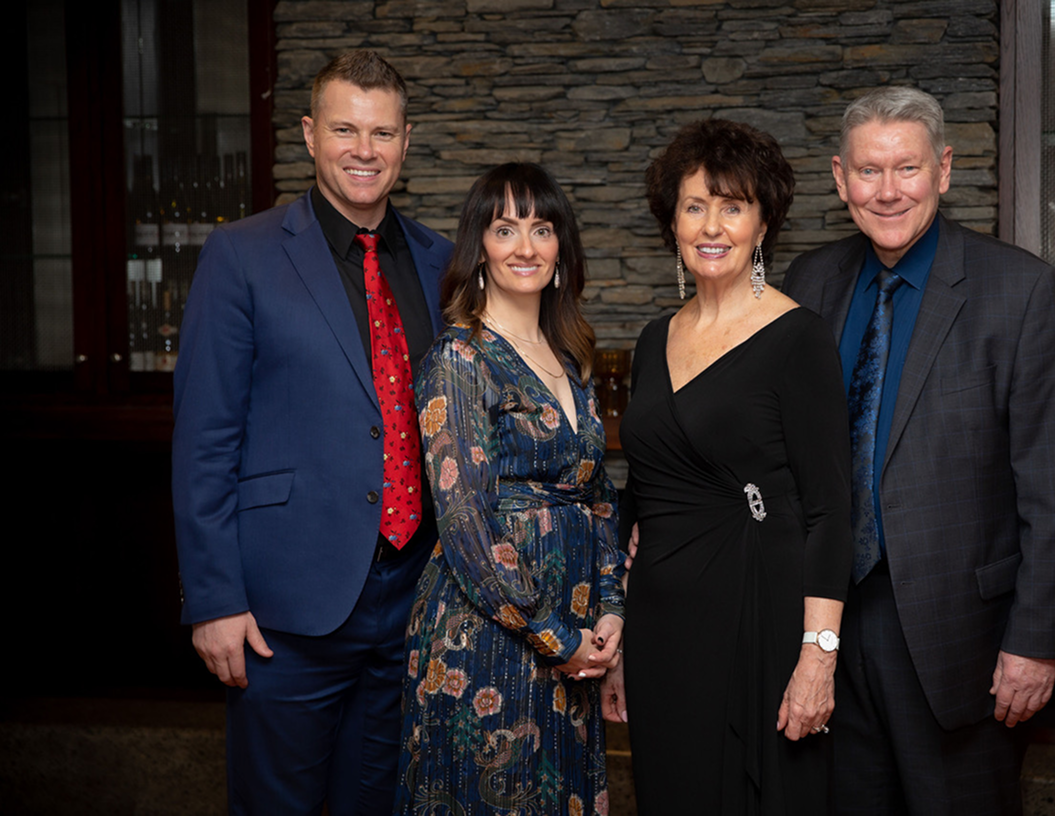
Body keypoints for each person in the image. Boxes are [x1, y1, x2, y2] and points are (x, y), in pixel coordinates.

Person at [782, 86, 1055, 815]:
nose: (888, 191)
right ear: (840, 178)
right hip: (827, 628)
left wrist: (1036, 642)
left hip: (964, 644)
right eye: (869, 170)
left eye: (907, 168)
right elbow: (780, 448)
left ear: (943, 170)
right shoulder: (810, 283)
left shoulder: (1022, 290)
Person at [172, 50, 453, 814]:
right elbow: (204, 439)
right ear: (308, 134)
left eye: (382, 133)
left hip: (413, 604)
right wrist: (213, 600)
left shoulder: (441, 261)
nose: (365, 150)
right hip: (284, 613)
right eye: (344, 129)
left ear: (405, 141)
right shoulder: (242, 254)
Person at [602, 119, 853, 814]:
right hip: (661, 628)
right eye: (695, 206)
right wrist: (619, 639)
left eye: (732, 206)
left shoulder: (798, 338)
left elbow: (831, 511)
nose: (712, 226)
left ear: (762, 223)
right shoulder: (654, 339)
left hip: (757, 614)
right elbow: (641, 494)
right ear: (672, 223)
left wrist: (819, 656)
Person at [394, 162, 625, 815]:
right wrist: (554, 636)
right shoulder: (458, 359)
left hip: (575, 635)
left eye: (542, 229)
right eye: (505, 229)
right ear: (479, 250)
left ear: (560, 248)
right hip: (485, 642)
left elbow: (599, 497)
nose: (526, 246)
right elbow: (465, 522)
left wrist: (611, 610)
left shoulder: (570, 358)